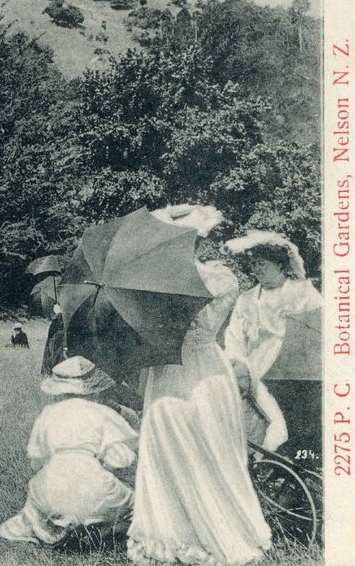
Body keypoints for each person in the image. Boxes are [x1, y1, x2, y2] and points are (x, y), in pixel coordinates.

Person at [127, 205, 271, 565]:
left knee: (174, 451)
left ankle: (177, 534)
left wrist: (170, 213)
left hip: (171, 372)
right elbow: (216, 328)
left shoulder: (151, 285)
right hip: (211, 369)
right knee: (215, 452)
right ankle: (228, 528)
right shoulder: (223, 278)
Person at [0, 356, 138, 546]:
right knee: (134, 504)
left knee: (42, 501)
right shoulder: (102, 412)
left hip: (52, 484)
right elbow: (122, 458)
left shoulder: (48, 413)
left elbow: (36, 460)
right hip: (94, 483)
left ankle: (62, 527)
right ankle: (103, 530)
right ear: (94, 388)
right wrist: (103, 466)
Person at [223, 230, 324, 454]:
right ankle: (260, 460)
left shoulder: (301, 292)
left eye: (262, 264)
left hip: (294, 364)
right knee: (256, 417)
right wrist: (238, 364)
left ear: (280, 265)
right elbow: (235, 337)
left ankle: (280, 458)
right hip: (256, 365)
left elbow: (320, 328)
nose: (257, 269)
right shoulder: (247, 299)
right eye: (253, 264)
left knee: (294, 419)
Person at [41, 305, 65, 375]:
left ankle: (52, 372)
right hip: (55, 338)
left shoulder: (57, 318)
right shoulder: (59, 317)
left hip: (56, 338)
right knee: (55, 355)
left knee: (54, 356)